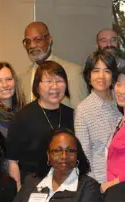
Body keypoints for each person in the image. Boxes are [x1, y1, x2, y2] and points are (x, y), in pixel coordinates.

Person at [6, 61, 74, 189]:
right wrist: (18, 191)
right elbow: (12, 161)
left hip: (67, 184)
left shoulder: (73, 115)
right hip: (33, 186)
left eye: (59, 81)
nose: (55, 86)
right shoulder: (22, 117)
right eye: (49, 81)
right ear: (37, 86)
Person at [75, 49, 121, 184]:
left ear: (113, 76)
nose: (101, 76)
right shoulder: (83, 110)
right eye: (96, 71)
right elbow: (84, 155)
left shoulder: (121, 102)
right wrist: (95, 186)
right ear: (88, 76)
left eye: (107, 71)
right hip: (100, 181)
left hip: (124, 177)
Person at [20, 21, 87, 108]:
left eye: (37, 39)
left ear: (49, 39)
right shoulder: (23, 77)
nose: (32, 45)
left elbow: (80, 113)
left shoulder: (72, 72)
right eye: (27, 41)